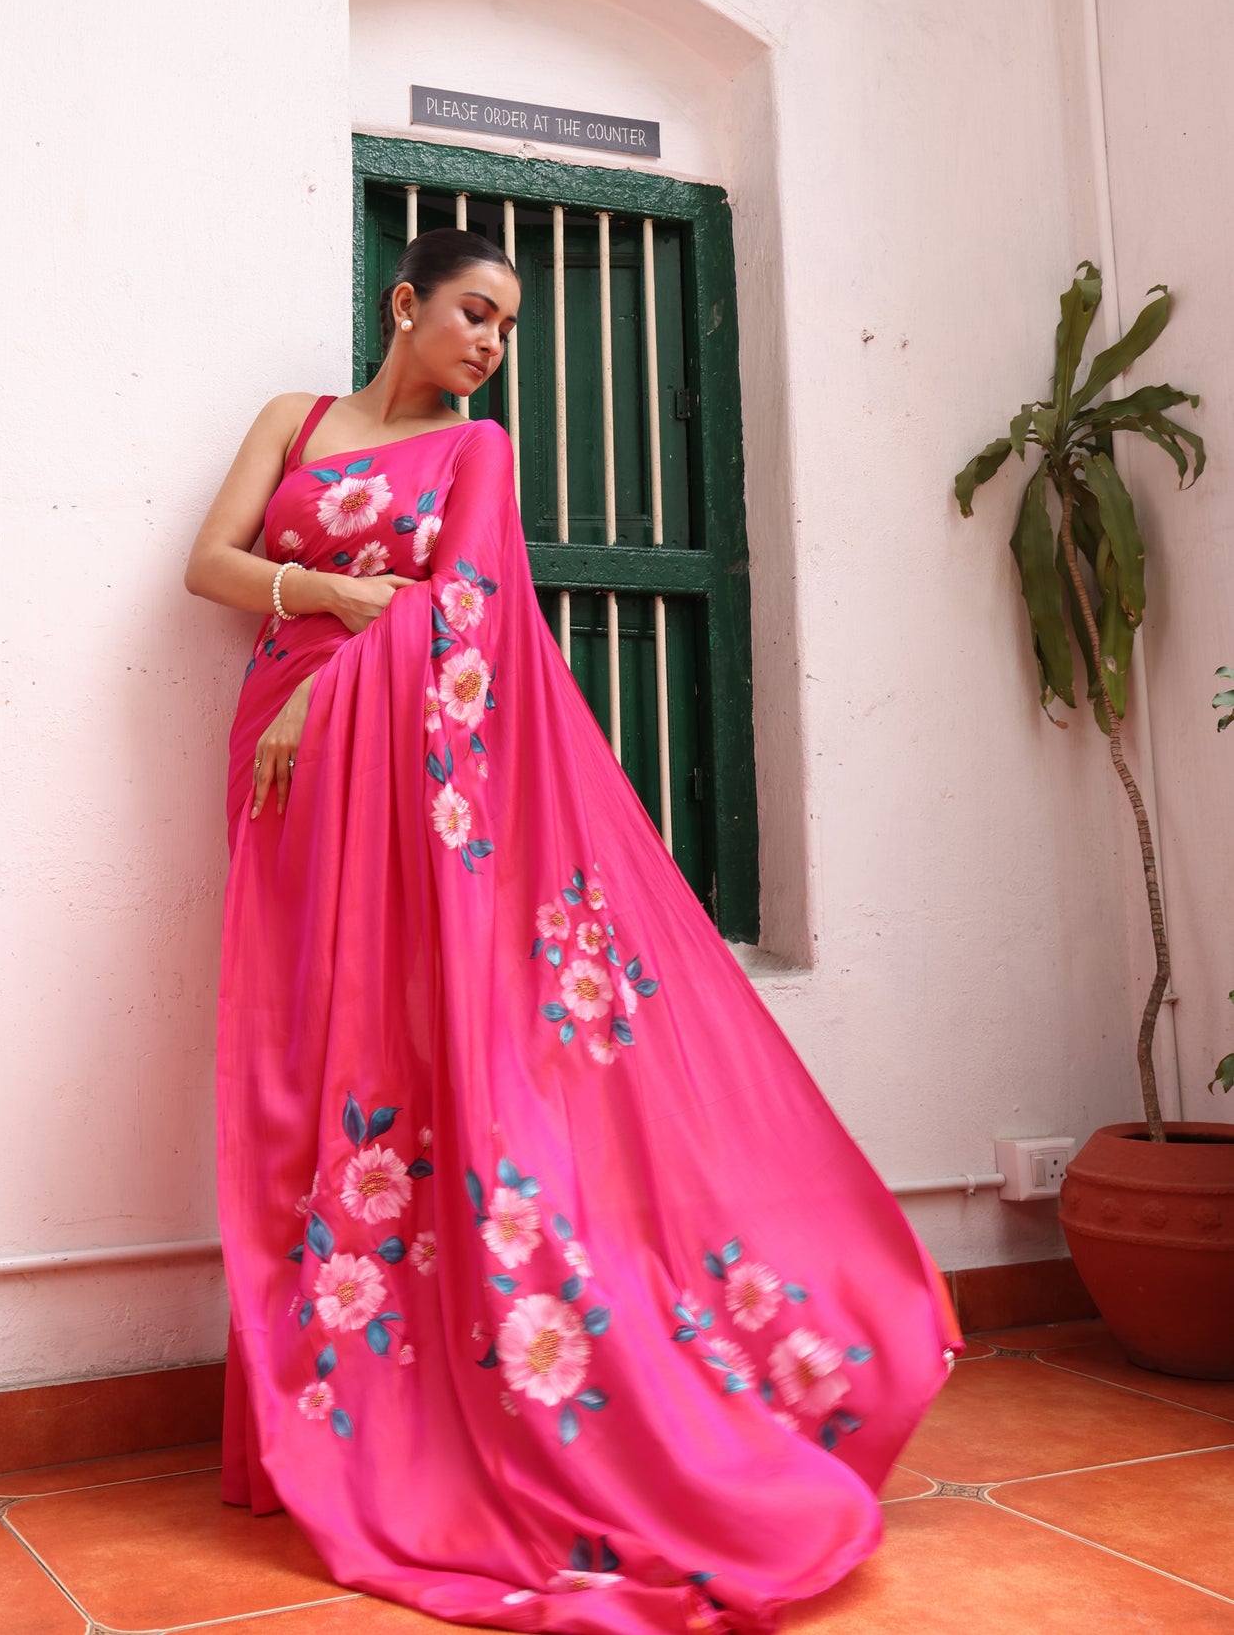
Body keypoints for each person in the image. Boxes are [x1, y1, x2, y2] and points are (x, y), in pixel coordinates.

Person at [185, 226, 960, 1635]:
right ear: (405, 302)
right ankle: (308, 1398)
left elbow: (469, 616)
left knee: (409, 1054)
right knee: (295, 1061)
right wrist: (333, 602)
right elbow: (208, 565)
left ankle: (428, 1405)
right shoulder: (294, 422)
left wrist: (334, 677)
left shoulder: (474, 453)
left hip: (386, 766)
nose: (493, 343)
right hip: (281, 763)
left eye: (508, 325)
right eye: (476, 312)